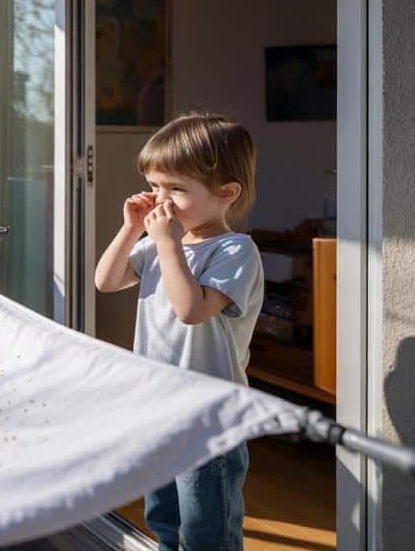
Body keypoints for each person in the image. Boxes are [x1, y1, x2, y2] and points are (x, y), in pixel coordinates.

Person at [94, 112, 264, 551]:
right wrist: (132, 229)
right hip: (161, 403)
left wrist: (168, 242)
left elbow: (192, 309)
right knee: (163, 515)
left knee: (207, 523)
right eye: (154, 187)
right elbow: (106, 281)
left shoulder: (234, 250)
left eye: (176, 190)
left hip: (208, 415)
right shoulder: (156, 243)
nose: (160, 201)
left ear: (226, 194)